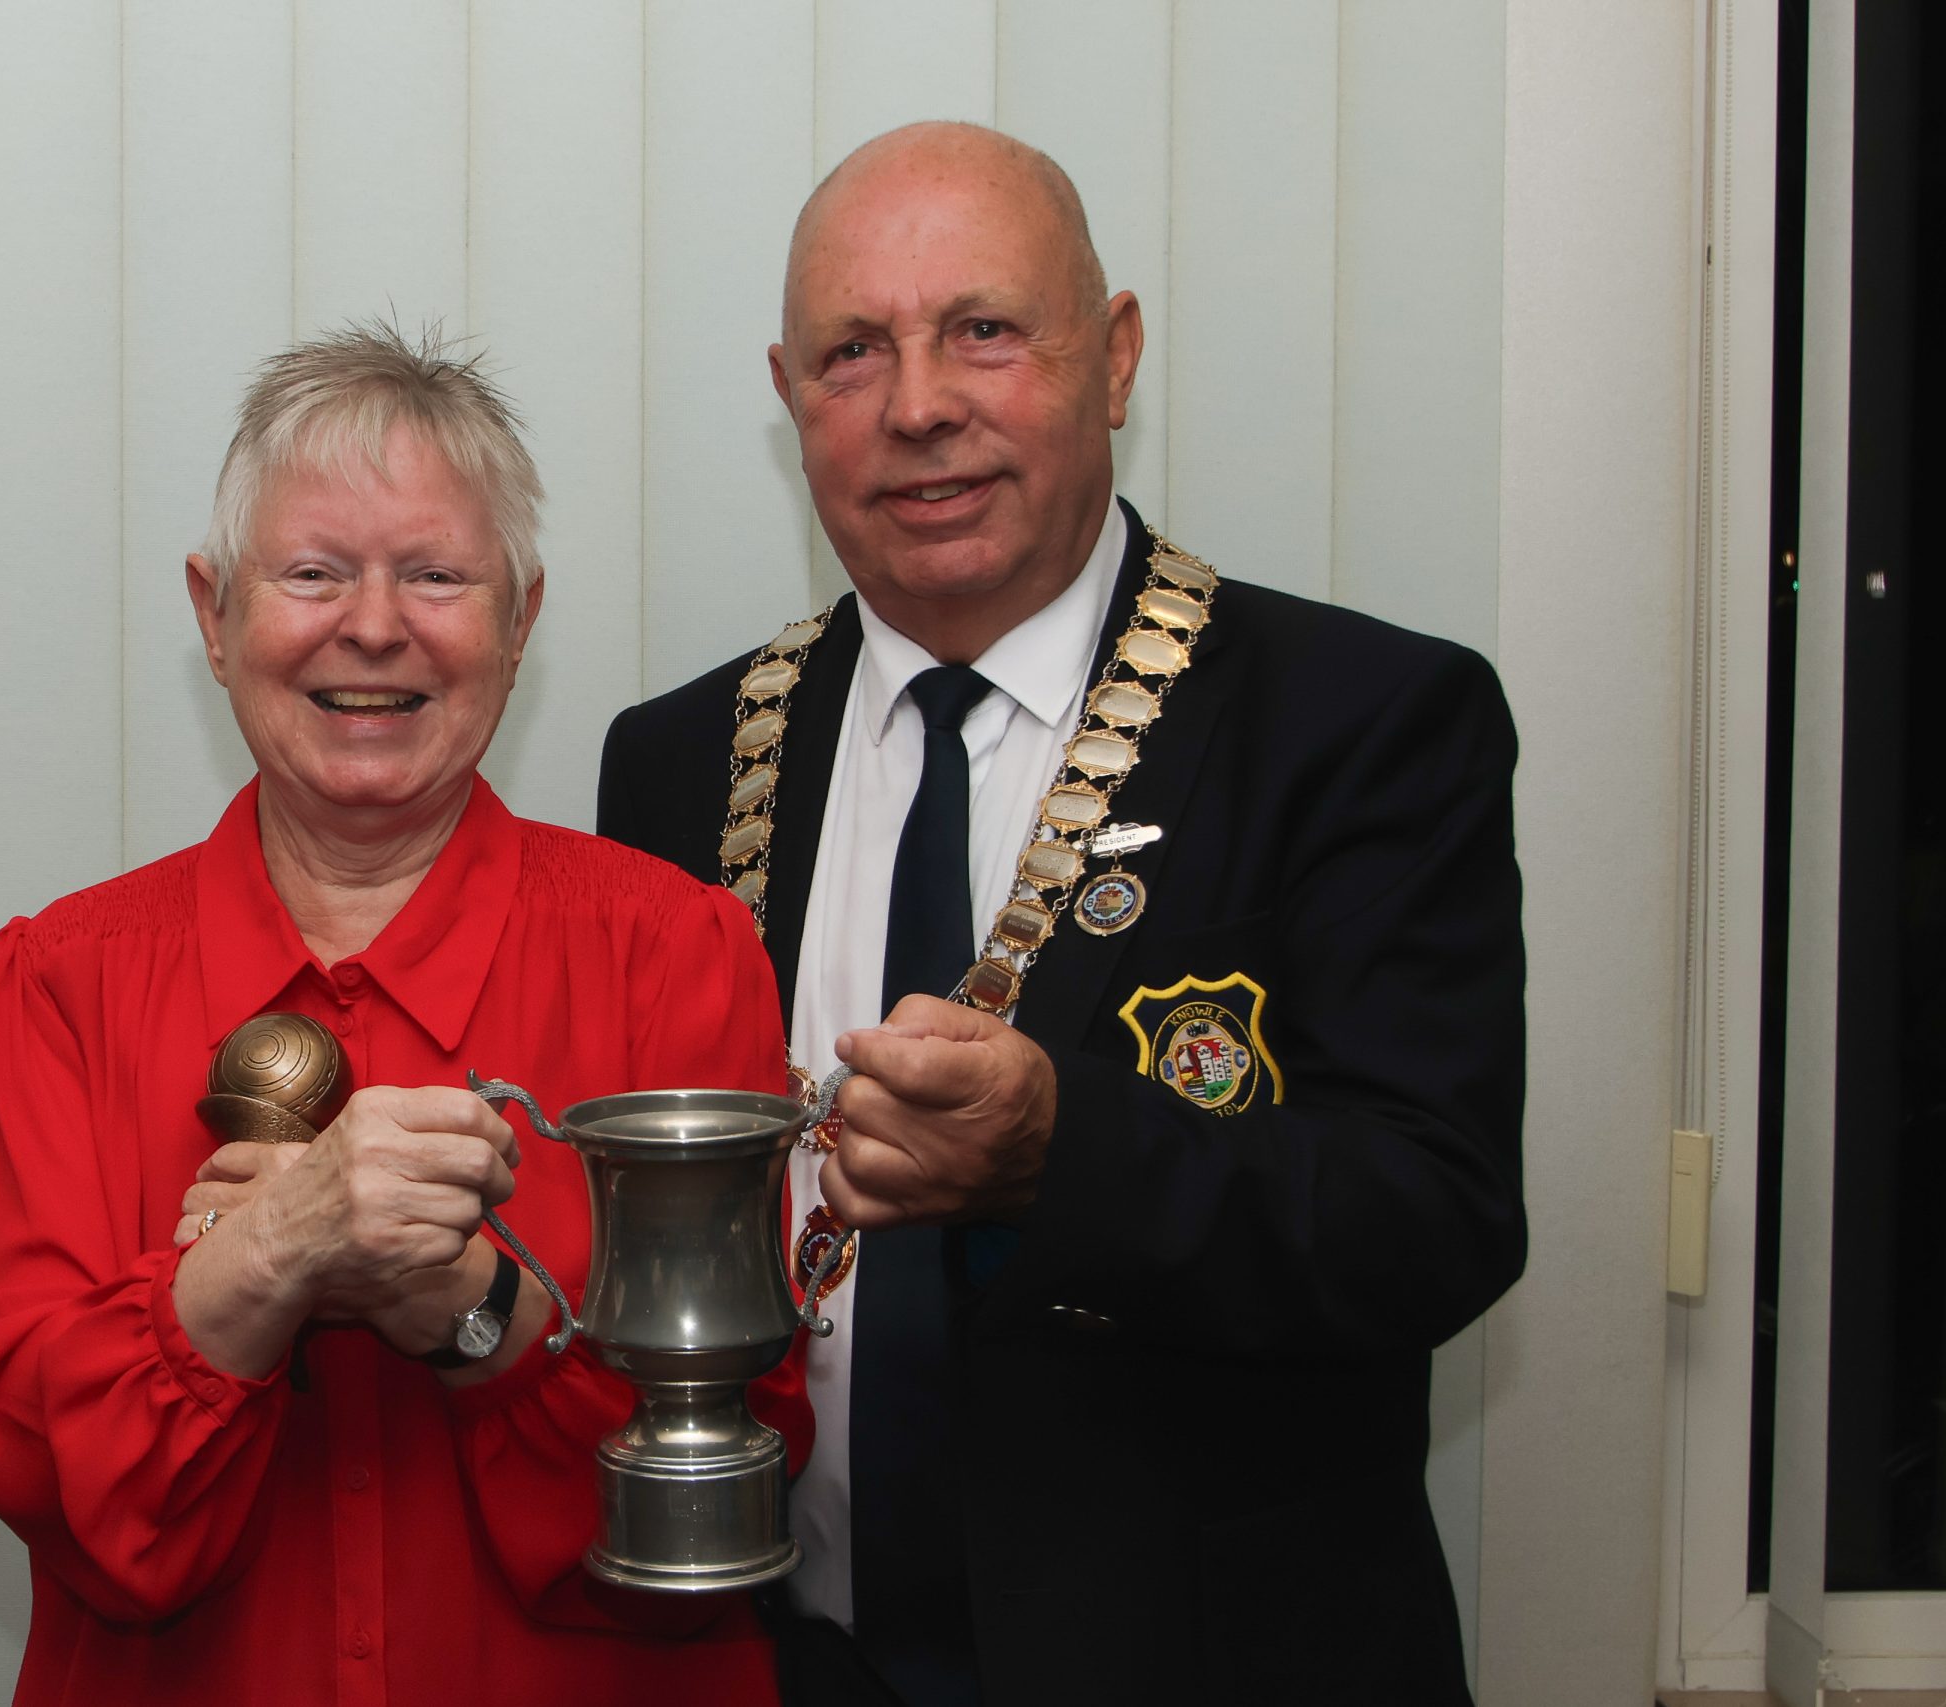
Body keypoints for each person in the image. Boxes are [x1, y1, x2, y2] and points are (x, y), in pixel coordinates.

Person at [597, 122, 1526, 1705]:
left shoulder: (1358, 720)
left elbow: (1433, 1219)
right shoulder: (683, 760)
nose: (918, 406)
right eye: (850, 352)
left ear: (1115, 358)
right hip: (775, 1660)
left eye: (983, 330)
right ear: (787, 398)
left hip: (1210, 1662)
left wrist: (1062, 1154)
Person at [0, 324, 810, 1707]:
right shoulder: (64, 980)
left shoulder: (673, 954)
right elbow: (45, 1469)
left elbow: (736, 1457)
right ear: (215, 616)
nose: (376, 626)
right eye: (314, 574)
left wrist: (467, 1306)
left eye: (439, 576)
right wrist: (269, 1256)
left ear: (520, 621)